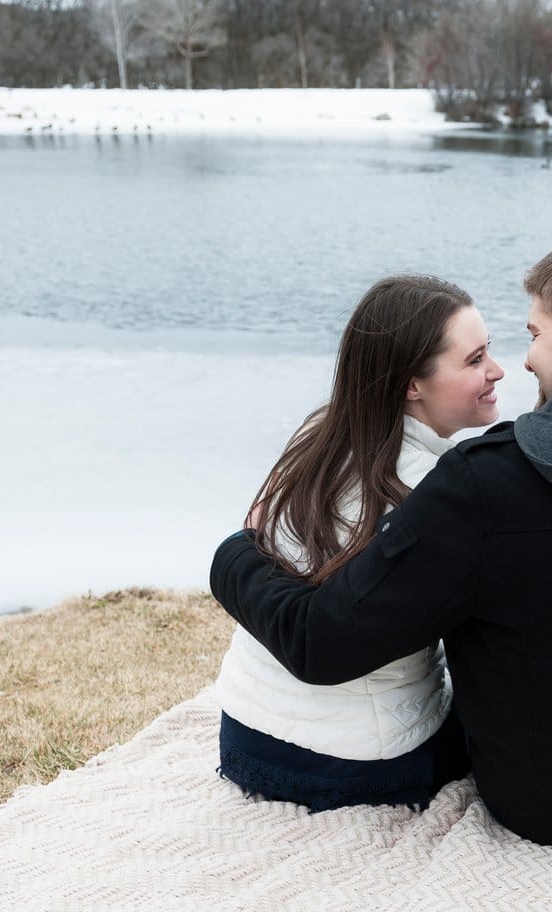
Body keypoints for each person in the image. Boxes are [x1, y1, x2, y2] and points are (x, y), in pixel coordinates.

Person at [212, 233, 552, 848]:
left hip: (549, 807)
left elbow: (326, 643)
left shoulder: (485, 487)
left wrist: (236, 552)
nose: (523, 361)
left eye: (535, 334)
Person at [214, 274, 504, 811]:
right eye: (474, 360)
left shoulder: (318, 435)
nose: (497, 371)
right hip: (353, 766)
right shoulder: (437, 495)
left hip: (243, 735)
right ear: (412, 385)